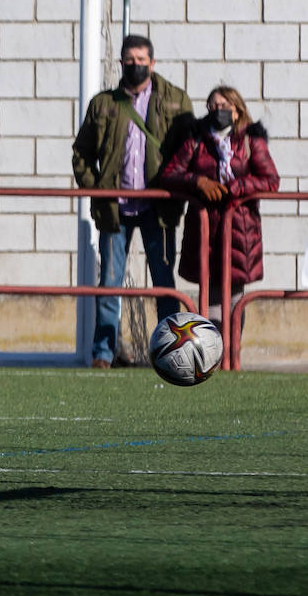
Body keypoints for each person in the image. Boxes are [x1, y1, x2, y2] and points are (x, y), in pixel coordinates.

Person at [72, 33, 194, 368]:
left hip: (159, 207)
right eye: (129, 60)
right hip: (115, 207)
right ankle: (103, 351)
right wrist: (94, 187)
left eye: (142, 60)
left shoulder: (175, 99)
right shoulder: (103, 103)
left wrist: (181, 187)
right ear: (121, 62)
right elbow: (81, 152)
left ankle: (171, 351)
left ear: (152, 63)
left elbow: (189, 151)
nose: (136, 66)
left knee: (164, 284)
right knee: (109, 282)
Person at [156, 85, 279, 332]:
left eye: (224, 106)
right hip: (204, 228)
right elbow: (169, 175)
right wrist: (197, 181)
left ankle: (232, 356)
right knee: (209, 293)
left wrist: (237, 187)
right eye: (213, 106)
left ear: (237, 111)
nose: (217, 110)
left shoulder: (250, 140)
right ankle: (213, 352)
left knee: (235, 295)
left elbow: (270, 180)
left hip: (240, 229)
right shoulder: (196, 139)